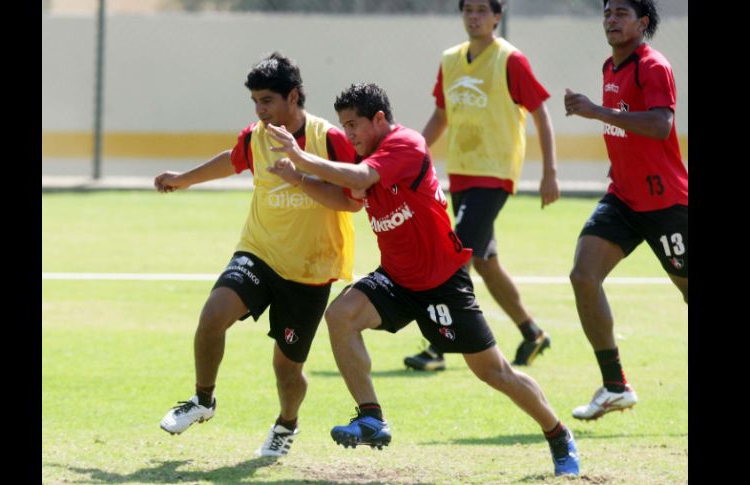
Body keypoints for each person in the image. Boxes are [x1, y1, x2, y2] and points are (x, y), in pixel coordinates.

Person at [266, 83, 579, 476]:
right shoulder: (369, 155)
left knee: (494, 372)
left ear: (379, 119)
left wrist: (302, 158)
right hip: (396, 279)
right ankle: (371, 417)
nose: (349, 135)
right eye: (343, 127)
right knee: (340, 316)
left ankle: (557, 434)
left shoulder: (405, 145)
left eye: (354, 125)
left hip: (442, 283)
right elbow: (347, 198)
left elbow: (360, 175)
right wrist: (298, 178)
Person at [154, 52, 360, 456]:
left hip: (309, 270)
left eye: (267, 100)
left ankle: (287, 424)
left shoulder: (329, 139)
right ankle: (203, 399)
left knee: (286, 370)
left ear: (294, 96)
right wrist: (184, 180)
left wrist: (300, 177)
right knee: (213, 315)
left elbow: (353, 201)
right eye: (255, 102)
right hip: (259, 252)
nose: (260, 110)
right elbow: (231, 161)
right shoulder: (255, 136)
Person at [404, 0, 558, 372]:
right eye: (467, 9)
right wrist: (412, 157)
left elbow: (539, 110)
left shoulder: (510, 59)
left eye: (481, 10)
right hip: (461, 172)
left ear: (496, 18)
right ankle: (532, 332)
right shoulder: (451, 60)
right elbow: (441, 114)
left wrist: (549, 171)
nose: (473, 17)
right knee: (485, 262)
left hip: (495, 173)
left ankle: (438, 344)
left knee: (454, 255)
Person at [564, 0, 687, 420]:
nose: (611, 20)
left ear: (643, 22)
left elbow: (660, 125)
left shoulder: (652, 66)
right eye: (607, 13)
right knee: (583, 275)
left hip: (667, 203)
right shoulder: (610, 67)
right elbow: (623, 128)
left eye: (621, 13)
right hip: (624, 198)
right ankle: (615, 386)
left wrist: (596, 111)